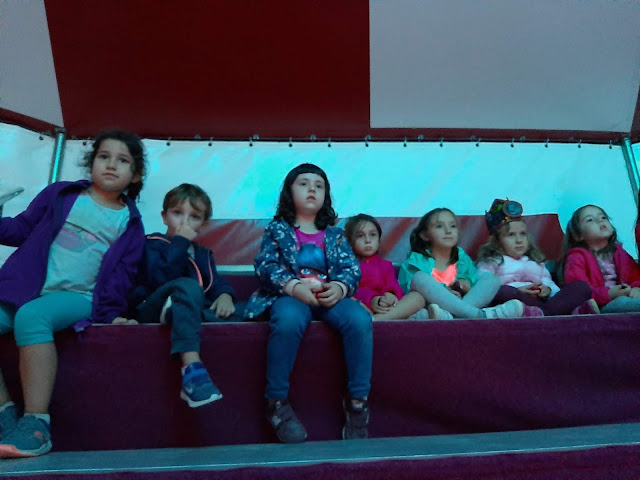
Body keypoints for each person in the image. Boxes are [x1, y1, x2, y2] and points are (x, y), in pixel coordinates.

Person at [0, 130, 147, 457]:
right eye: (104, 157)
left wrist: (111, 315)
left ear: (135, 175)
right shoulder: (61, 194)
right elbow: (21, 228)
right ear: (91, 163)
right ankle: (4, 414)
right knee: (26, 310)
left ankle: (37, 424)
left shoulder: (130, 223)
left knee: (32, 317)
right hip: (29, 289)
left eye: (122, 161)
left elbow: (123, 277)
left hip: (79, 298)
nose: (111, 165)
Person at [244, 163, 372, 443]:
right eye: (303, 183)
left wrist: (339, 287)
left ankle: (358, 402)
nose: (312, 189)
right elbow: (266, 266)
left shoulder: (336, 235)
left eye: (319, 185)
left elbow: (351, 269)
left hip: (328, 297)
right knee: (289, 319)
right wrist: (294, 287)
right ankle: (276, 402)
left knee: (360, 319)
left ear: (326, 195)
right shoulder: (277, 230)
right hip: (289, 296)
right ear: (289, 193)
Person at [128, 183, 238, 408]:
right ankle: (192, 371)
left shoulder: (202, 253)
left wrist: (225, 295)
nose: (185, 222)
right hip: (152, 305)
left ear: (203, 224)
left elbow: (215, 282)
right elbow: (158, 279)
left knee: (244, 310)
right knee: (188, 286)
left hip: (188, 305)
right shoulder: (152, 244)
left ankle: (180, 315)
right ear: (164, 217)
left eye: (194, 216)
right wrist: (180, 242)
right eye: (177, 213)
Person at [398, 208, 533, 320]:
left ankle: (453, 316)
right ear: (425, 235)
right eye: (439, 226)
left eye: (453, 226)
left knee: (491, 278)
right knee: (419, 278)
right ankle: (479, 315)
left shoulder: (462, 258)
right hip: (431, 306)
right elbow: (409, 290)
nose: (448, 230)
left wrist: (466, 284)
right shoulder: (415, 261)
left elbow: (474, 283)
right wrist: (446, 291)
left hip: (461, 304)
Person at [477, 199, 597, 316]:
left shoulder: (535, 261)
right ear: (497, 241)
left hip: (541, 302)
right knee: (502, 292)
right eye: (511, 235)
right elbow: (484, 289)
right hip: (517, 301)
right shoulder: (490, 261)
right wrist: (519, 289)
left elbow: (549, 283)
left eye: (523, 234)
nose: (519, 240)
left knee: (581, 287)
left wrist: (548, 290)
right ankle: (562, 313)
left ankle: (543, 313)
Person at [345, 214, 426, 320]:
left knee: (417, 297)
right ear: (350, 241)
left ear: (379, 239)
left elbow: (392, 284)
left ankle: (378, 320)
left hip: (387, 307)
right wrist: (373, 299)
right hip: (364, 306)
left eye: (372, 235)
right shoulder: (346, 266)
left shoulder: (386, 265)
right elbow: (350, 290)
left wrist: (390, 295)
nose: (368, 240)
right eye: (360, 236)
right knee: (348, 301)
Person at [563, 204, 640, 313]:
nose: (600, 220)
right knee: (624, 303)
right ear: (578, 235)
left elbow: (635, 277)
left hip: (624, 297)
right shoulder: (576, 257)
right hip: (600, 305)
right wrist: (609, 294)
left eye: (604, 217)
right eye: (590, 220)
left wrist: (636, 288)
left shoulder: (620, 253)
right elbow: (578, 290)